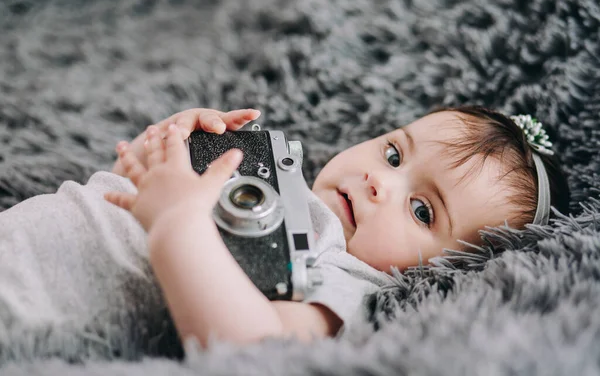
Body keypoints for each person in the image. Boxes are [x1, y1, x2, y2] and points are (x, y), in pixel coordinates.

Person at [0, 106, 569, 353]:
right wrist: (176, 144)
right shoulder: (277, 174)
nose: (379, 184)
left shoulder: (346, 282)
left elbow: (256, 347)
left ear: (448, 268)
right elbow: (125, 189)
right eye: (394, 154)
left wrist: (178, 223)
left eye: (422, 211)